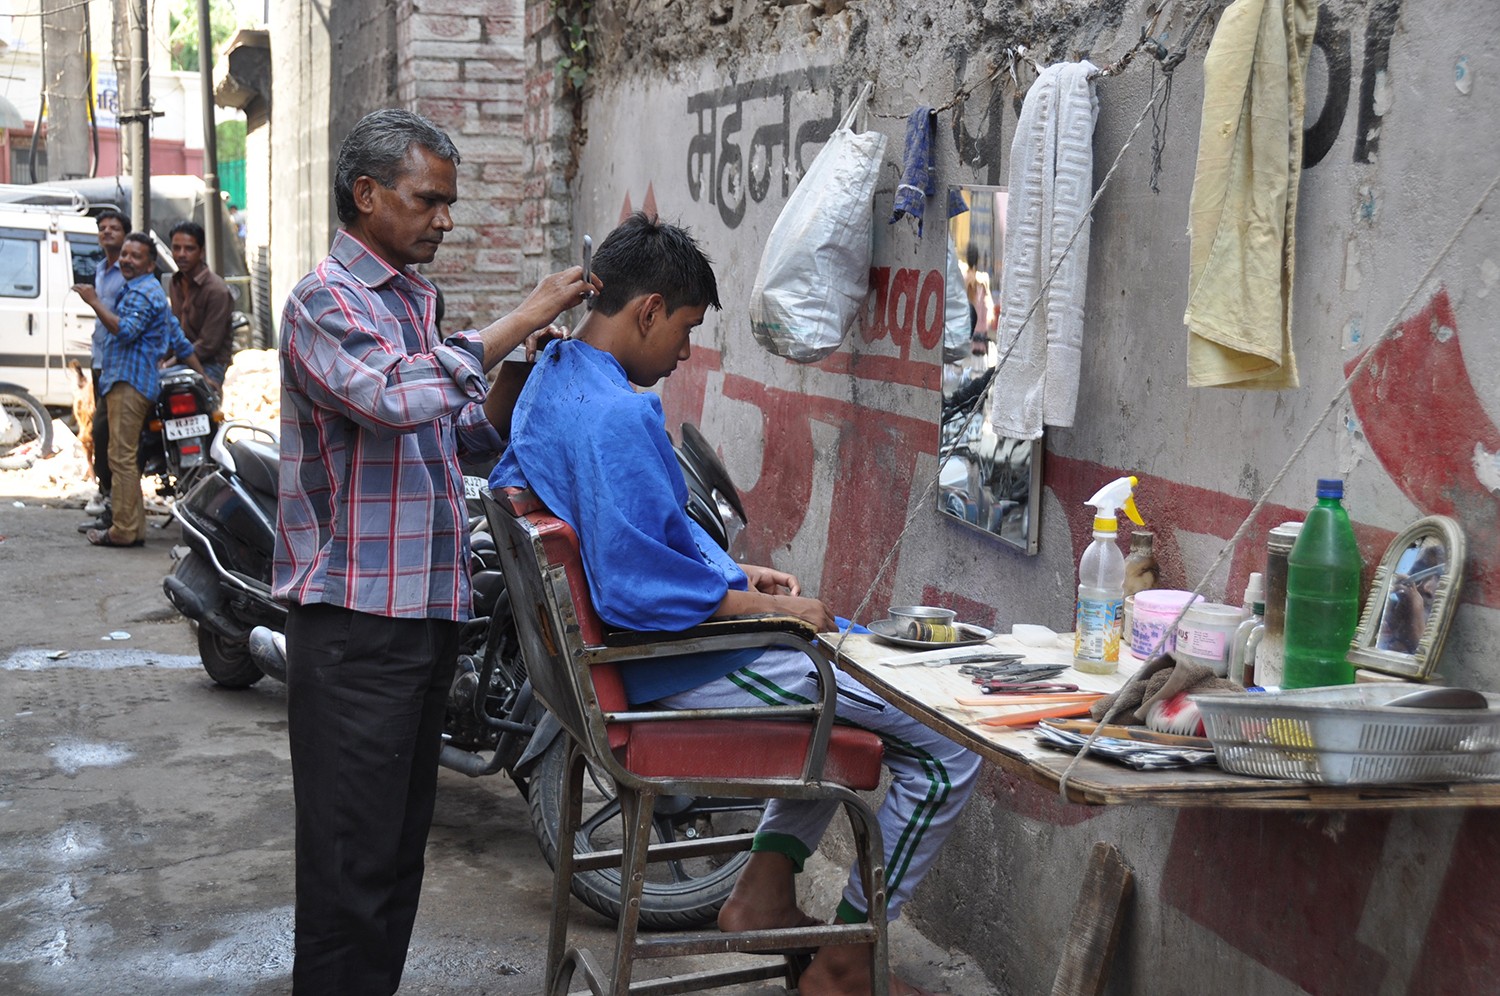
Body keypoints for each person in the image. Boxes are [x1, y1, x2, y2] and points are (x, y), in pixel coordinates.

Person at [490, 213, 980, 996]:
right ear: (648, 308)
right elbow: (637, 590)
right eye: (683, 329)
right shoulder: (620, 413)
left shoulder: (554, 376)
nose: (685, 351)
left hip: (635, 660)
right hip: (664, 673)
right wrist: (766, 613)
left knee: (848, 679)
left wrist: (736, 576)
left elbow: (636, 533)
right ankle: (849, 960)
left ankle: (762, 893)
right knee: (950, 739)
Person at [273, 107, 597, 995]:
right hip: (353, 628)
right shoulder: (322, 302)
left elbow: (451, 434)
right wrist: (522, 309)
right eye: (429, 201)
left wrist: (517, 367)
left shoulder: (417, 303)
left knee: (391, 864)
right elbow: (385, 398)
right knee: (350, 873)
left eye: (450, 203)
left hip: (421, 618)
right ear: (367, 194)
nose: (445, 220)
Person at [75, 232, 206, 548]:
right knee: (124, 455)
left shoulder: (141, 293)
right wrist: (203, 376)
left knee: (121, 456)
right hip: (135, 382)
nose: (126, 260)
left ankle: (123, 528)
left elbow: (126, 331)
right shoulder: (149, 291)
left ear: (149, 265)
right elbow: (178, 338)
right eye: (125, 255)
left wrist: (94, 302)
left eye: (135, 256)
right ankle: (131, 527)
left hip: (129, 382)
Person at [81, 208, 129, 530]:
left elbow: (125, 325)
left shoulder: (130, 273)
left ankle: (116, 508)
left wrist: (93, 302)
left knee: (111, 437)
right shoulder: (100, 268)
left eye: (114, 227)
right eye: (102, 227)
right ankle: (108, 499)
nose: (107, 232)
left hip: (121, 365)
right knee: (102, 436)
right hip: (100, 362)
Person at [168, 220, 234, 388]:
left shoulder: (217, 290)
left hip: (210, 363)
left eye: (189, 248)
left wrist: (173, 361)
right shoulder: (174, 283)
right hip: (179, 359)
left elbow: (208, 344)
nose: (182, 254)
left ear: (202, 252)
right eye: (176, 248)